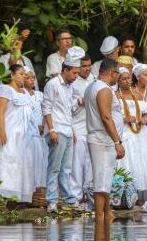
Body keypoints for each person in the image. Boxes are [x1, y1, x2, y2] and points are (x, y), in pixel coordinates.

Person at [42, 46, 84, 212]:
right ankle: (51, 200)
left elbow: (68, 111)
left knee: (66, 168)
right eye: (74, 73)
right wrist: (51, 129)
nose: (76, 76)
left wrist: (72, 131)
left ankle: (68, 199)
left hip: (66, 129)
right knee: (54, 167)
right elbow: (46, 107)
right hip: (56, 129)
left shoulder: (69, 87)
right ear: (65, 70)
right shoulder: (52, 84)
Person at [85, 58, 125, 227]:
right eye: (118, 73)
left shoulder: (92, 86)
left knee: (105, 178)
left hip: (101, 139)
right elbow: (106, 117)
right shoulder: (103, 89)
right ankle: (100, 217)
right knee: (101, 180)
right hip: (103, 139)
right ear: (113, 72)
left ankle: (106, 212)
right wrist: (117, 141)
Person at [115, 68, 147, 203]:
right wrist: (125, 119)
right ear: (118, 80)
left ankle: (141, 195)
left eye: (128, 78)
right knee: (128, 161)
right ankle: (126, 194)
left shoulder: (137, 95)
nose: (127, 81)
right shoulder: (114, 96)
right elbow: (112, 116)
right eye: (123, 79)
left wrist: (145, 118)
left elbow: (145, 111)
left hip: (140, 132)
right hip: (125, 132)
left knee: (142, 161)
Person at [0, 65, 35, 203]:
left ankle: (17, 199)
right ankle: (2, 198)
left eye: (25, 74)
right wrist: (1, 131)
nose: (24, 76)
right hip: (10, 133)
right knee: (8, 162)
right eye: (21, 74)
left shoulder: (25, 92)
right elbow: (0, 111)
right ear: (12, 75)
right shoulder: (5, 89)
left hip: (24, 136)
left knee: (22, 163)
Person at [70, 54, 95, 204]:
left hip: (92, 126)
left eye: (88, 65)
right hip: (77, 126)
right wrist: (79, 101)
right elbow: (66, 104)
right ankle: (75, 196)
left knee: (90, 162)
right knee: (76, 163)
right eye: (83, 66)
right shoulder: (73, 82)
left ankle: (89, 194)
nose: (86, 68)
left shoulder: (95, 80)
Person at [23, 68, 48, 192]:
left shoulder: (39, 94)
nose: (31, 80)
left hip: (41, 133)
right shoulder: (21, 94)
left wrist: (43, 124)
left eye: (33, 77)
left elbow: (45, 110)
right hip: (28, 133)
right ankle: (29, 190)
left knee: (41, 161)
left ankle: (40, 190)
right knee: (29, 162)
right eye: (28, 78)